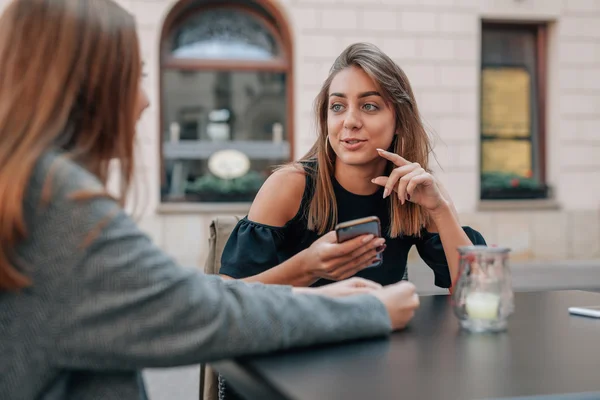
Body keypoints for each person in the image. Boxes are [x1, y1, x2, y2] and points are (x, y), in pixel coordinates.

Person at [0, 2, 421, 399]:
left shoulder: (33, 189)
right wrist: (368, 311)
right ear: (84, 88)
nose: (145, 100)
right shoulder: (54, 205)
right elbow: (197, 312)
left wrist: (318, 294)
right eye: (134, 77)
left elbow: (191, 298)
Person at [219, 42, 487, 289]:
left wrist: (440, 209)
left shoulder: (413, 189)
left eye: (369, 106)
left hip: (381, 335)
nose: (350, 121)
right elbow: (227, 298)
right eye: (337, 106)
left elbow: (477, 290)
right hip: (297, 338)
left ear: (399, 122)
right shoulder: (290, 185)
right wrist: (306, 268)